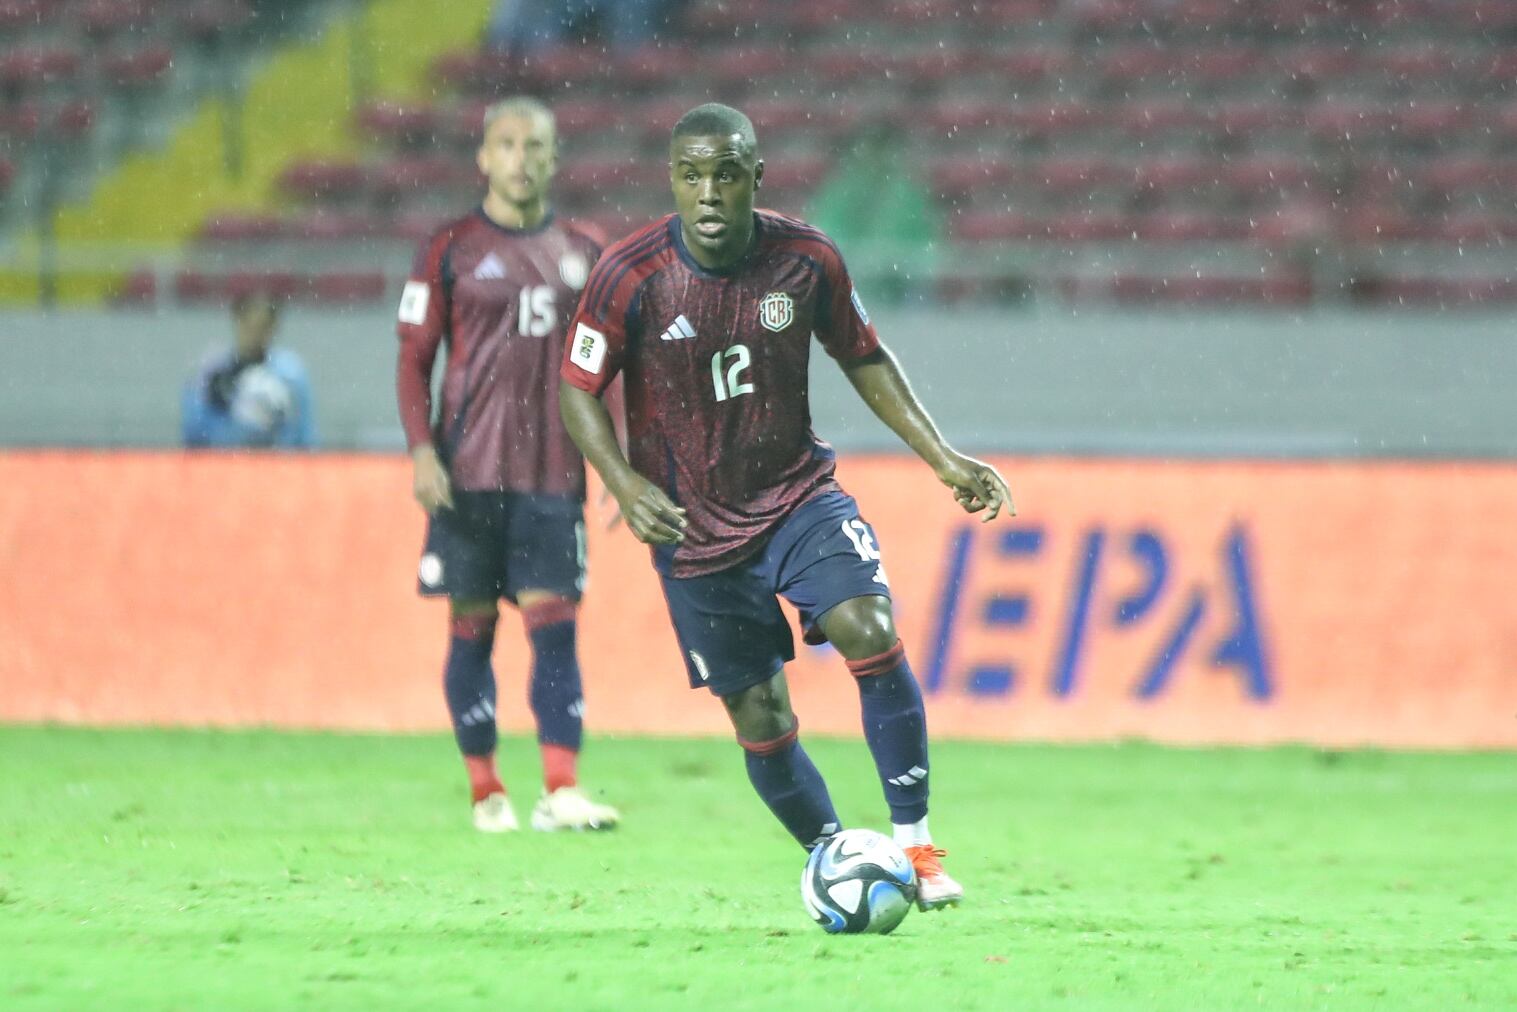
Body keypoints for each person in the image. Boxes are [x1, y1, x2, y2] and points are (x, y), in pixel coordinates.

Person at [558, 103, 1014, 909]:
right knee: (760, 714)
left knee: (870, 630)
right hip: (692, 530)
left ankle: (918, 849)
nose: (707, 192)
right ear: (672, 179)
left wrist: (941, 456)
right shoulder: (629, 275)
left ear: (754, 176)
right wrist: (625, 485)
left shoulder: (805, 258)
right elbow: (577, 389)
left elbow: (863, 356)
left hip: (797, 497)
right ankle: (834, 857)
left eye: (725, 174)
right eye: (690, 175)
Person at [396, 96, 620, 834]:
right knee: (471, 628)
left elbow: (610, 366)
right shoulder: (450, 247)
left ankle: (560, 789)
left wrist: (620, 468)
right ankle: (485, 789)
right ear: (483, 157)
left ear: (555, 159)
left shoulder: (586, 251)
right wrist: (422, 451)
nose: (521, 158)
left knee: (555, 629)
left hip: (553, 476)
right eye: (507, 144)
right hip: (467, 476)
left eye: (535, 146)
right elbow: (413, 358)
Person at [182, 292, 314, 449]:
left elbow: (304, 431)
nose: (254, 335)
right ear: (237, 321)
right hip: (222, 464)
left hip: (277, 466)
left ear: (273, 328)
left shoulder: (291, 374)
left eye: (262, 327)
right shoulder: (212, 371)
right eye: (249, 325)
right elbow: (194, 432)